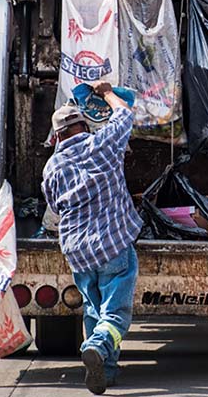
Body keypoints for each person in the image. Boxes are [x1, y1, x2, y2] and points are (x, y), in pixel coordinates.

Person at [42, 81, 142, 395]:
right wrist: (107, 92)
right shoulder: (103, 144)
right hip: (112, 244)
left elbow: (54, 205)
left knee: (93, 310)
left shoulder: (52, 167)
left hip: (77, 251)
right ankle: (97, 346)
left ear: (57, 137)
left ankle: (106, 372)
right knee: (115, 314)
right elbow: (124, 115)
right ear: (85, 126)